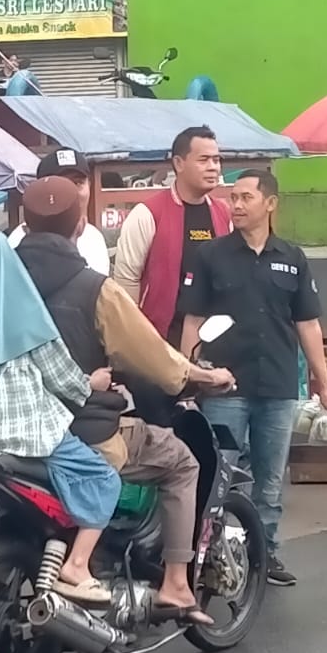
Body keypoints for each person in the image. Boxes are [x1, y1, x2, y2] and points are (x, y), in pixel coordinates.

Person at [18, 176, 235, 622]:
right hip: (82, 430)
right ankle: (176, 585)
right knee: (181, 461)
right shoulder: (94, 289)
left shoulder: (0, 287)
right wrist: (200, 376)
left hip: (8, 433)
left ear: (24, 223)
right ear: (80, 225)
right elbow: (151, 355)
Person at [179, 170, 327, 588]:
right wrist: (188, 376)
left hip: (278, 386)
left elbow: (308, 323)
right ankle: (206, 555)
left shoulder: (292, 257)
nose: (237, 205)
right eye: (233, 198)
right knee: (218, 475)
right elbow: (193, 319)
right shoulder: (210, 256)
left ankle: (264, 554)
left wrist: (323, 383)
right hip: (223, 386)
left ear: (270, 203)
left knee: (269, 480)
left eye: (246, 197)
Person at [0, 231, 119, 605]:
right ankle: (77, 565)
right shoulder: (29, 319)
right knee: (104, 479)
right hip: (32, 435)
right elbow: (62, 378)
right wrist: (91, 383)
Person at [112, 125, 233, 343]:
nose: (213, 167)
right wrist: (134, 341)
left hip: (215, 341)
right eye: (204, 160)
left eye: (216, 160)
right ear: (178, 163)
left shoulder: (224, 213)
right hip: (159, 342)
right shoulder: (148, 214)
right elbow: (126, 282)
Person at [9, 150, 110, 274]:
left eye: (78, 183)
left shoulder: (94, 238)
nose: (71, 192)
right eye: (61, 185)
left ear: (89, 185)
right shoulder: (19, 241)